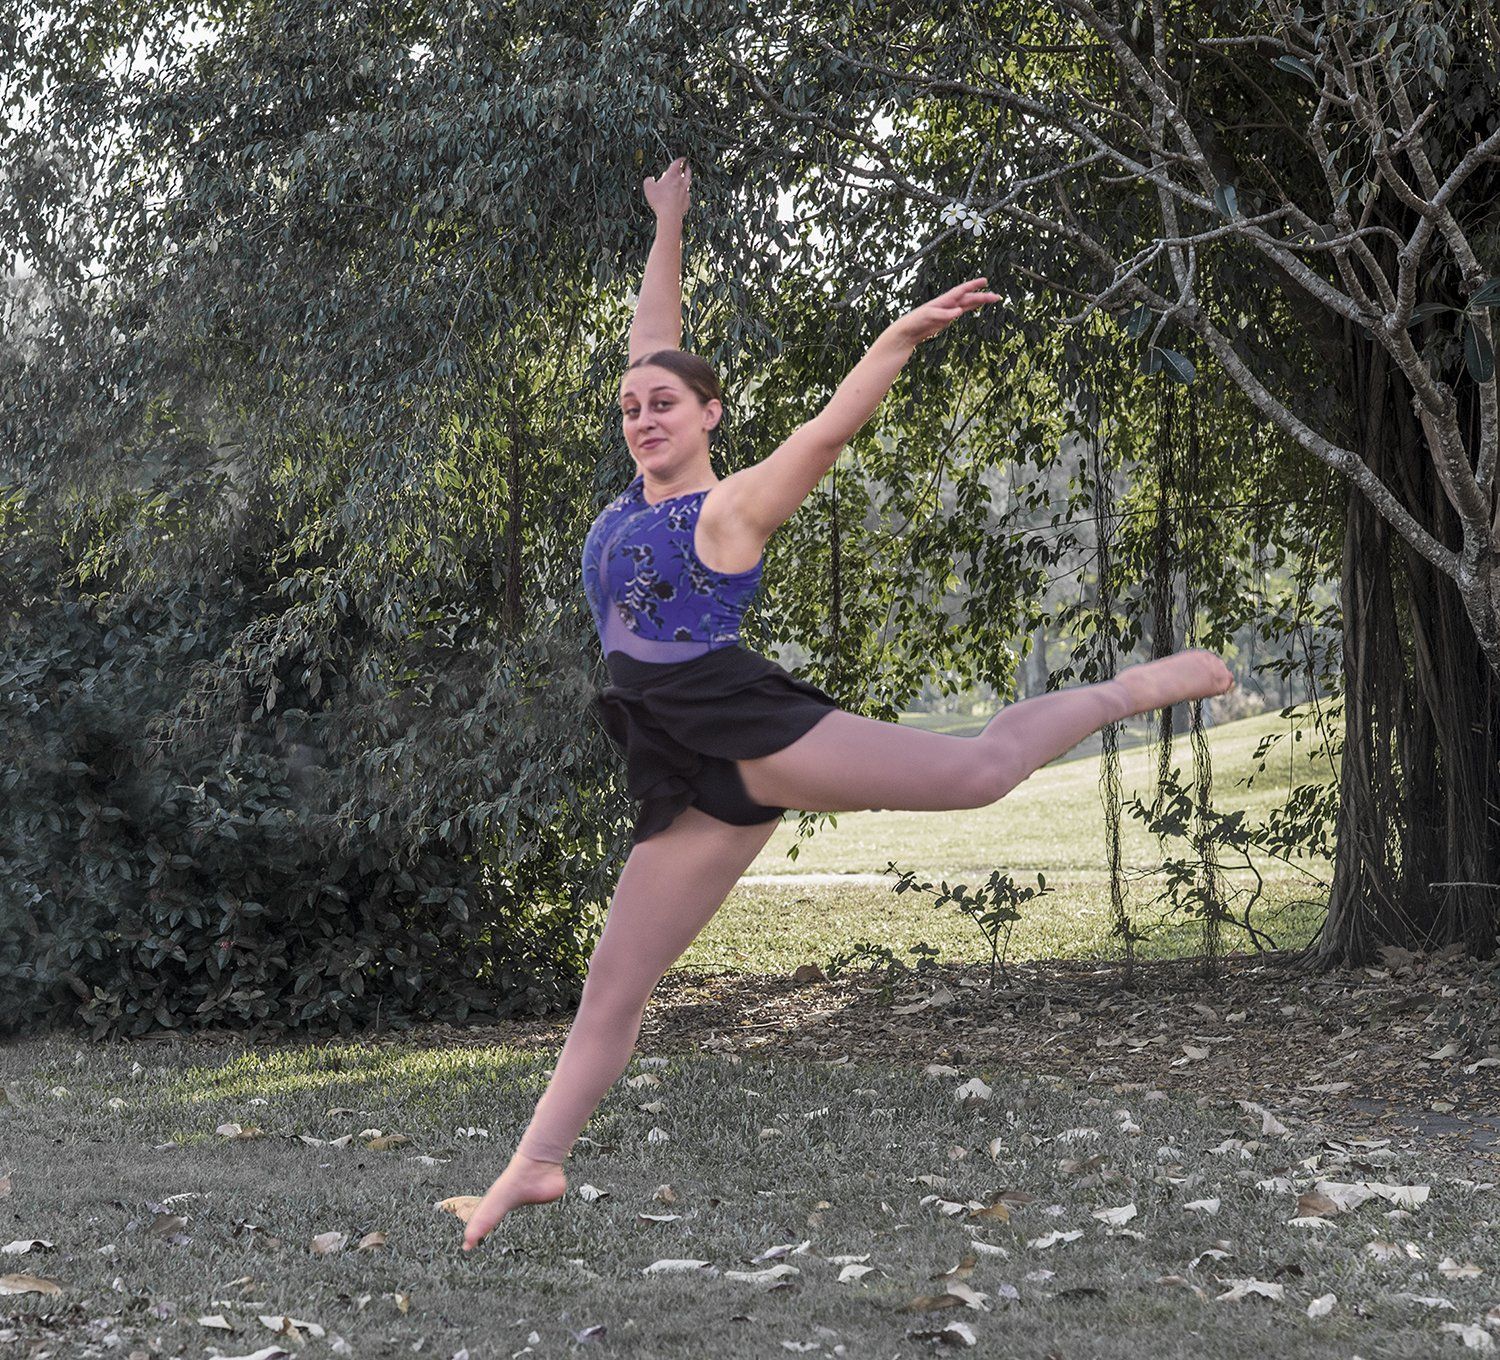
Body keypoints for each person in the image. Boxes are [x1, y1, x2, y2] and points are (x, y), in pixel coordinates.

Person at [461, 155, 1234, 1251]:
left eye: (665, 403)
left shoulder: (726, 512)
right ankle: (536, 1164)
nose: (642, 414)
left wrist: (897, 341)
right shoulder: (635, 483)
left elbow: (826, 433)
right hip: (678, 766)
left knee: (972, 774)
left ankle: (1127, 690)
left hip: (738, 719)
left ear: (709, 414)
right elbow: (654, 333)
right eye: (632, 405)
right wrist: (670, 221)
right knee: (613, 985)